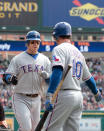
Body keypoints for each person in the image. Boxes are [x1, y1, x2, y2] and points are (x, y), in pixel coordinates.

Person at [43, 22, 103, 131]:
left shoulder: (59, 49)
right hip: (78, 97)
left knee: (49, 129)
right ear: (70, 35)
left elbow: (57, 71)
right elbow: (89, 78)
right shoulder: (79, 53)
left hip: (64, 95)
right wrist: (96, 92)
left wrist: (49, 94)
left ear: (55, 36)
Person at [2, 30, 51, 131]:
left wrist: (48, 77)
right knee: (26, 128)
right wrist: (10, 78)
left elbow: (51, 82)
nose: (35, 44)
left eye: (37, 42)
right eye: (32, 42)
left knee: (35, 129)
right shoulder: (18, 59)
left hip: (37, 98)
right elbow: (6, 76)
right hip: (21, 97)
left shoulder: (45, 60)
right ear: (27, 43)